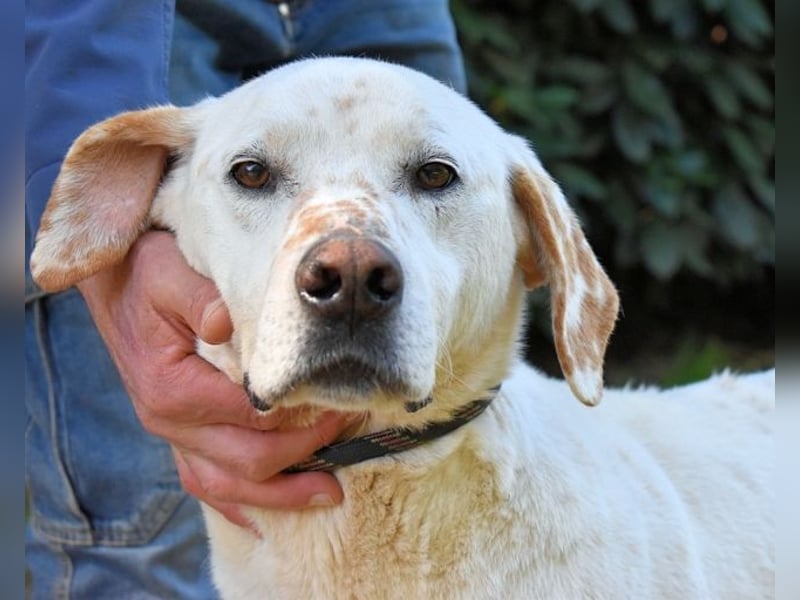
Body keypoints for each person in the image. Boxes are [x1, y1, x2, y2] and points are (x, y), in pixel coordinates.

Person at [25, 1, 467, 597]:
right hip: (117, 27)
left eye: (431, 176)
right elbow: (66, 245)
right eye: (254, 173)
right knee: (144, 557)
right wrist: (111, 267)